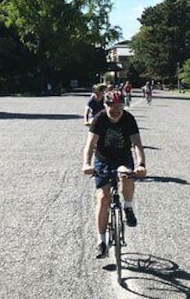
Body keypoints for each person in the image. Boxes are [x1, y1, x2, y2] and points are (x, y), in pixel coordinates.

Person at [81, 91, 147, 259]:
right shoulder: (99, 119)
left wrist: (141, 164)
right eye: (113, 107)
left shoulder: (129, 119)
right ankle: (101, 242)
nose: (117, 111)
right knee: (103, 199)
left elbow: (137, 144)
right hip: (103, 160)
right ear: (106, 106)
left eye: (120, 107)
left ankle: (128, 207)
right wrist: (87, 164)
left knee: (126, 176)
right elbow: (90, 144)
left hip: (123, 158)